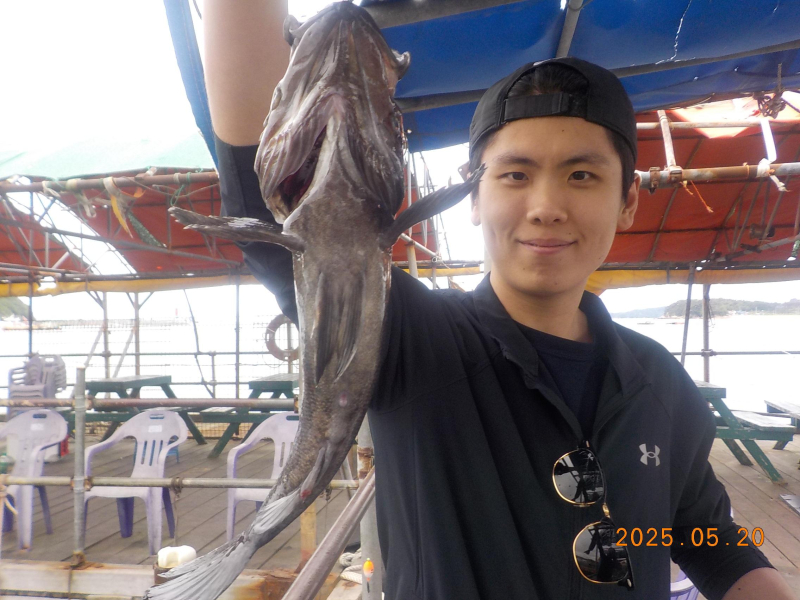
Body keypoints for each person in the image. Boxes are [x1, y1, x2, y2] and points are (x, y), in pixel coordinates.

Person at [204, 2, 796, 599]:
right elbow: (267, 183)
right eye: (515, 175)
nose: (546, 206)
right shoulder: (405, 336)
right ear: (472, 197)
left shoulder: (661, 380)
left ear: (628, 202)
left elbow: (711, 541)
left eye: (582, 175)